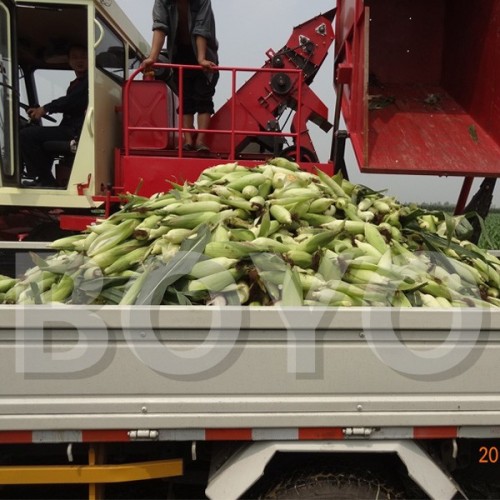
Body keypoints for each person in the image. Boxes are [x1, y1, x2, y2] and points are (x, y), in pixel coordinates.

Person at [142, 0, 219, 153]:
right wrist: (153, 57)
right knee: (185, 98)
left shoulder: (202, 1)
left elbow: (201, 28)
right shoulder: (163, 2)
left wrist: (201, 59)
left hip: (204, 52)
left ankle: (201, 141)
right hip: (179, 52)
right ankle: (188, 141)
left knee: (204, 96)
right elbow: (160, 27)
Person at [20, 44, 88, 187]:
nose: (79, 60)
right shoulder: (77, 83)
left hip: (76, 131)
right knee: (39, 138)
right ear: (69, 61)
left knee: (26, 135)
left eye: (84, 56)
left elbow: (70, 101)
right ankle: (43, 179)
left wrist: (45, 109)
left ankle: (46, 180)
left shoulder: (88, 82)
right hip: (71, 128)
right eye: (75, 57)